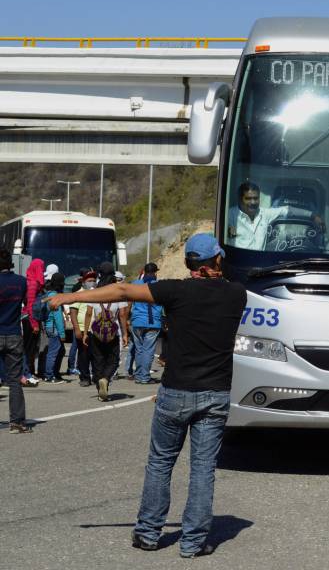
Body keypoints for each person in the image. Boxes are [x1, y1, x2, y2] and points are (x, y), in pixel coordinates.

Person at [48, 233, 247, 558]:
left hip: (176, 391)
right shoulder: (237, 295)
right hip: (215, 394)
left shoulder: (175, 292)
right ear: (217, 260)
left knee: (160, 463)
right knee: (202, 468)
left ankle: (148, 534)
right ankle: (193, 542)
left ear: (187, 263)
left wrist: (70, 299)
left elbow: (123, 290)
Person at [226, 181, 323, 250]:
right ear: (240, 199)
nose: (253, 202)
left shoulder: (264, 214)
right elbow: (228, 241)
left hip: (259, 265)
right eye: (248, 199)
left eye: (256, 198)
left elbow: (287, 210)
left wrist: (313, 216)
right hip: (239, 263)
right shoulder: (231, 216)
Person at [83, 263, 129, 401]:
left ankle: (100, 390)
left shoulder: (94, 291)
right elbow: (122, 315)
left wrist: (85, 332)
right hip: (112, 333)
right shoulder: (118, 292)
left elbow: (88, 313)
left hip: (96, 332)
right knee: (113, 359)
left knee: (98, 361)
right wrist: (125, 334)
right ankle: (106, 379)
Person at [0, 249, 32, 433]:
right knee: (14, 381)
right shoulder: (21, 282)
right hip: (13, 333)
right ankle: (17, 422)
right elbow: (27, 304)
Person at [129, 263, 163, 384]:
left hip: (137, 321)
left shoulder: (135, 284)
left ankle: (138, 375)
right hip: (153, 322)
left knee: (139, 349)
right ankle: (144, 377)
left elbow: (129, 302)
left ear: (144, 272)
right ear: (155, 273)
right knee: (148, 350)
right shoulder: (159, 285)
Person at [70, 271, 96, 387]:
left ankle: (96, 376)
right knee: (83, 355)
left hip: (95, 330)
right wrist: (76, 329)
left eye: (94, 280)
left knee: (95, 355)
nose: (92, 283)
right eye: (89, 281)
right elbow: (73, 313)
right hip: (81, 329)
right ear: (84, 282)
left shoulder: (97, 293)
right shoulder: (78, 294)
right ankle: (85, 377)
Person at [40, 272, 67, 384]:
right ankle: (49, 376)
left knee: (60, 350)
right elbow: (58, 317)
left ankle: (54, 373)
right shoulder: (55, 297)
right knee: (53, 352)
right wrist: (62, 334)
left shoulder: (48, 294)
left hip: (49, 326)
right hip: (54, 328)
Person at [20, 258, 44, 386]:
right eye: (41, 267)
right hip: (29, 320)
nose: (43, 269)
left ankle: (28, 372)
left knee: (31, 349)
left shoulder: (35, 282)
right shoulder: (32, 283)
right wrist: (34, 324)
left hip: (32, 318)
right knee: (28, 349)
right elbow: (29, 305)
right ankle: (26, 374)